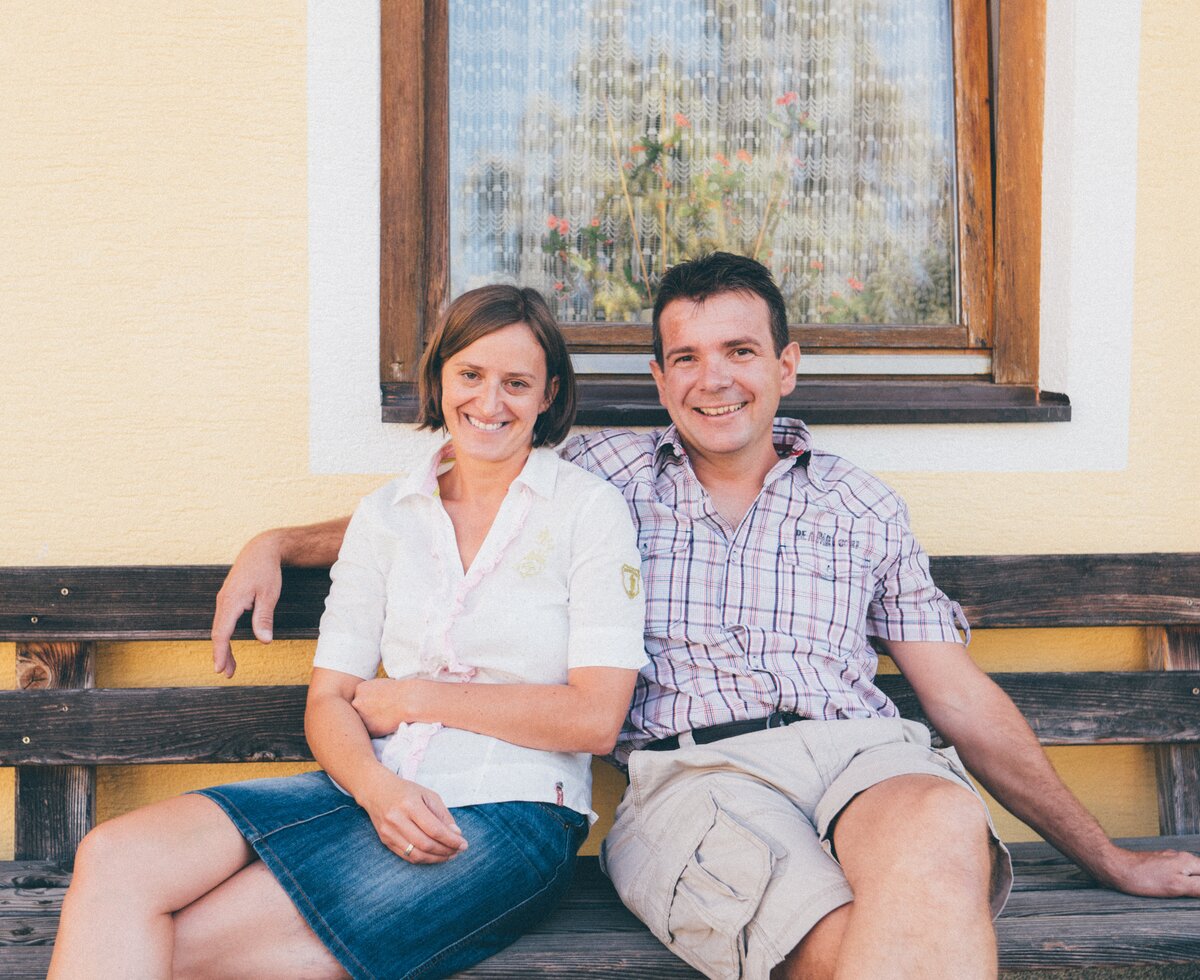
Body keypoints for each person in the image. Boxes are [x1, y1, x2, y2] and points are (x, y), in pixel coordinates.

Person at [210, 255, 1200, 979]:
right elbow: (433, 502)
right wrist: (279, 543)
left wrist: (1106, 854)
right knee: (861, 942)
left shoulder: (861, 503)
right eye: (684, 357)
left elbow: (959, 696)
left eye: (739, 350)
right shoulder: (594, 476)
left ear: (787, 365)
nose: (711, 377)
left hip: (860, 750)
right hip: (695, 776)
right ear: (658, 380)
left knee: (938, 816)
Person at [49, 285, 647, 980]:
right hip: (369, 788)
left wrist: (414, 697)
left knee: (174, 949)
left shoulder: (588, 511)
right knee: (114, 856)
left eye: (517, 383)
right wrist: (375, 788)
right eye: (471, 376)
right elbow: (330, 698)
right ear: (439, 376)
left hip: (511, 813)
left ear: (548, 396)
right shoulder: (387, 515)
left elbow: (596, 718)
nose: (490, 403)